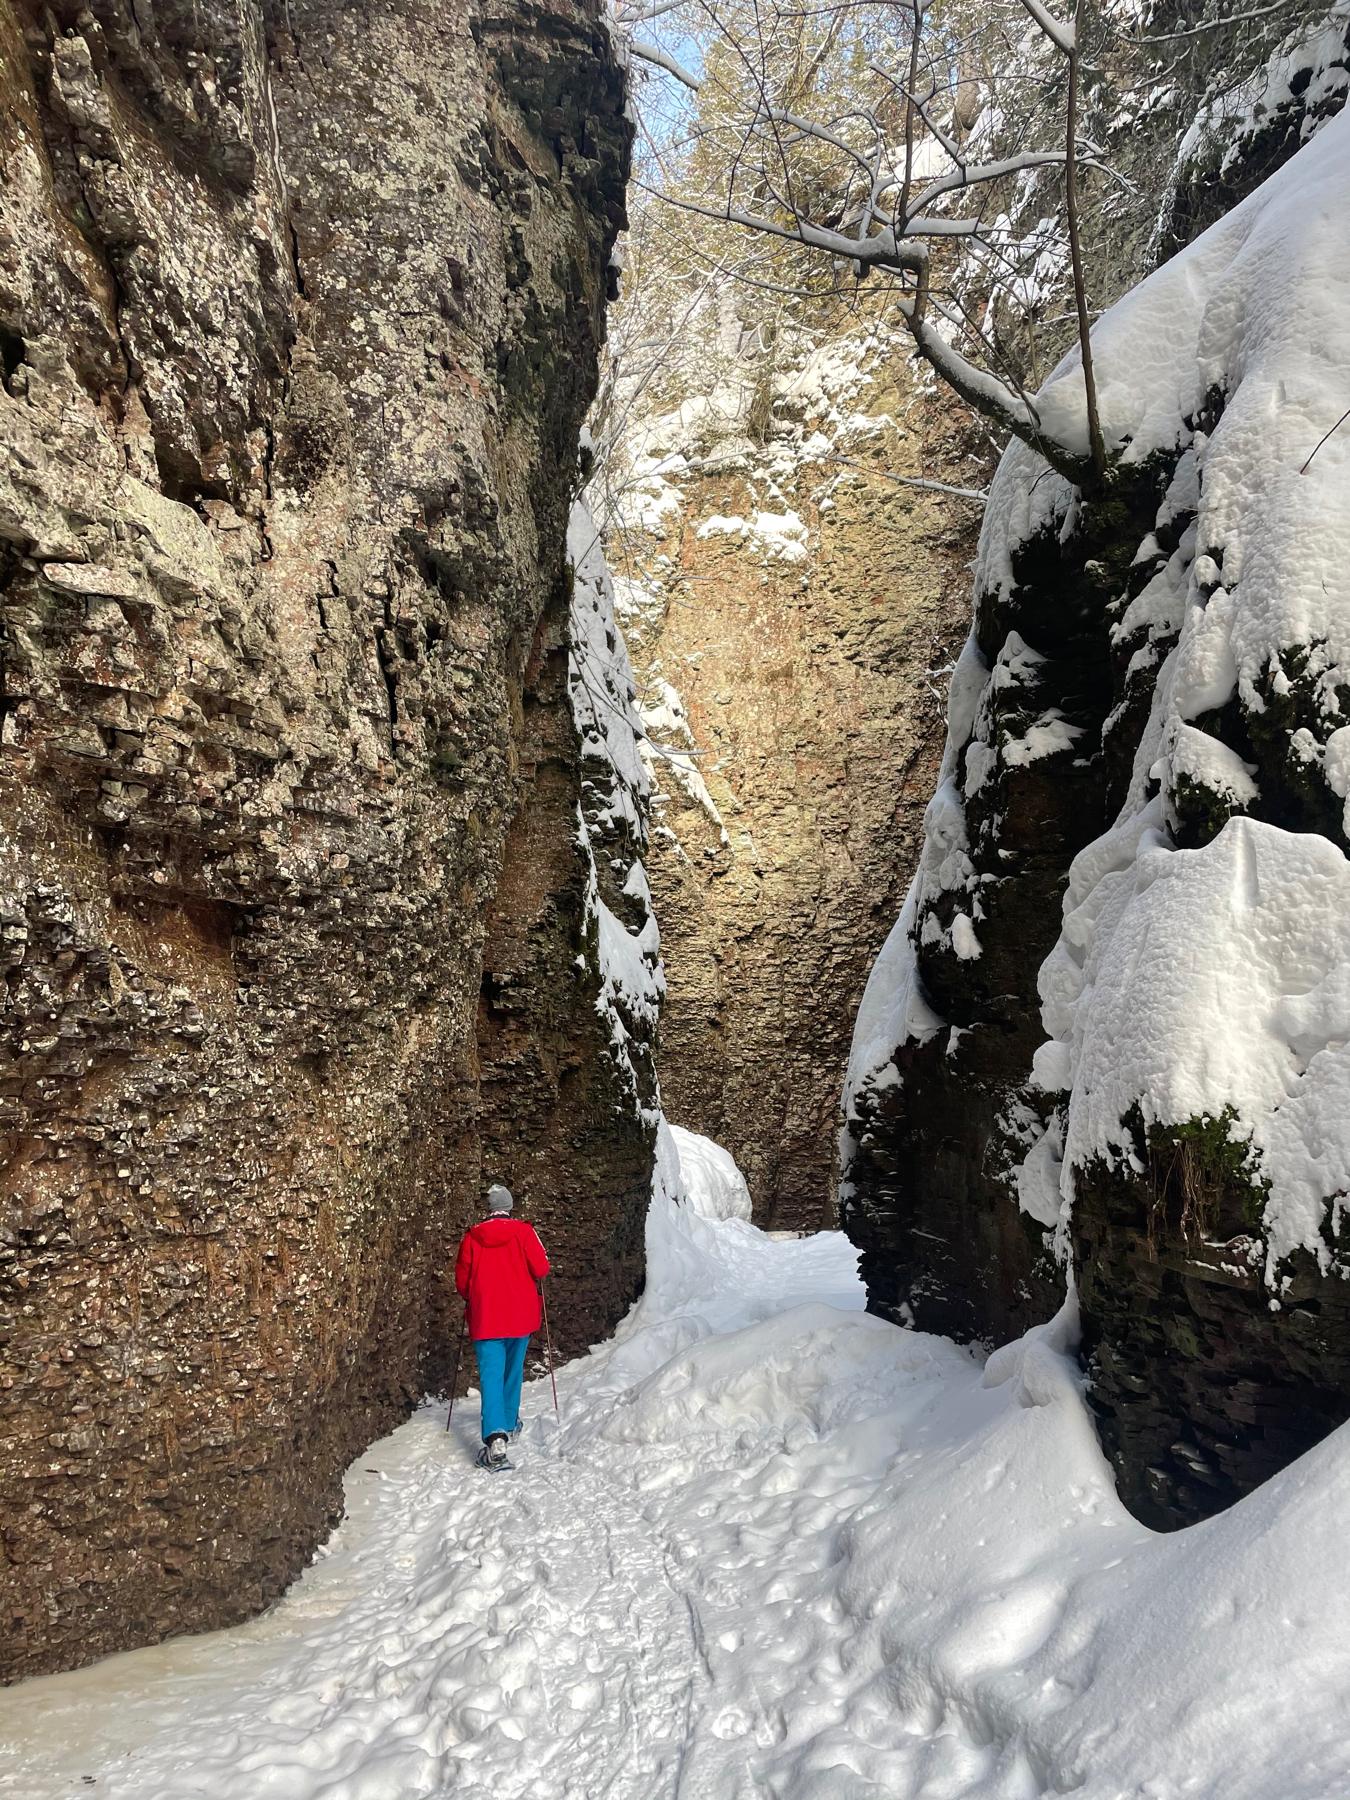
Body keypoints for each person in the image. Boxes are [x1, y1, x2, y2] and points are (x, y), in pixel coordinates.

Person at [454, 1182, 551, 1470]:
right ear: (509, 1207)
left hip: (487, 1317)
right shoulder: (524, 1232)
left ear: (489, 1209)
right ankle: (507, 1424)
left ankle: (497, 1438)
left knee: (492, 1375)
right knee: (512, 1371)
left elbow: (462, 1282)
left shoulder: (472, 1238)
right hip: (520, 1316)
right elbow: (541, 1269)